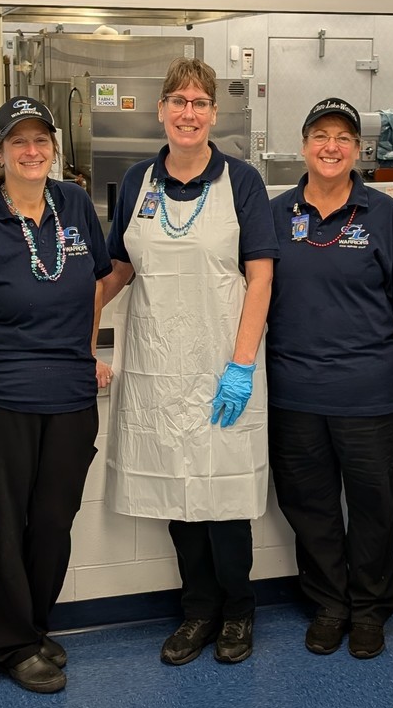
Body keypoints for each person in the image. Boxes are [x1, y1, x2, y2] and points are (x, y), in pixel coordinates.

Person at [101, 58, 279, 666]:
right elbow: (119, 268)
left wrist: (241, 364)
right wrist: (64, 322)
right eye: (177, 101)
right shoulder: (136, 183)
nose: (188, 113)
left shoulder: (243, 182)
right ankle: (196, 612)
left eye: (200, 102)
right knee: (179, 498)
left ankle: (238, 612)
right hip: (159, 367)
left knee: (224, 500)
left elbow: (260, 278)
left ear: (213, 113)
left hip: (224, 364)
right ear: (161, 110)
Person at [0, 96, 111, 694]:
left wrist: (87, 349)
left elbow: (95, 284)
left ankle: (32, 628)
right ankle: (10, 644)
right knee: (1, 524)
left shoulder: (77, 206)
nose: (31, 152)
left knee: (54, 522)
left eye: (40, 141)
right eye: (18, 142)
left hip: (69, 397)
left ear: (53, 148)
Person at [266, 97, 393, 661]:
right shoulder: (276, 215)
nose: (331, 146)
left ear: (357, 150)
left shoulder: (382, 214)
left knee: (374, 508)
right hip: (294, 395)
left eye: (343, 137)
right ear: (303, 145)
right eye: (320, 135)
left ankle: (369, 610)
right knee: (310, 507)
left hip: (371, 397)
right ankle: (328, 605)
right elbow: (246, 295)